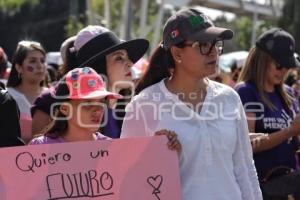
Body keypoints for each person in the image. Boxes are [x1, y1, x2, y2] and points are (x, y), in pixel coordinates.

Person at [121, 7, 262, 200]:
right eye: (203, 45)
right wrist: (154, 156)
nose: (213, 52)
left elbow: (245, 168)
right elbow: (127, 176)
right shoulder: (143, 105)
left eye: (216, 44)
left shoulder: (230, 98)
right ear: (177, 53)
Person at [31, 26, 149, 139]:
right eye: (119, 58)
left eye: (127, 57)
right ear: (96, 66)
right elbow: (42, 156)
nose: (130, 63)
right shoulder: (49, 102)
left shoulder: (133, 107)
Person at [29, 67, 181, 154]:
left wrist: (165, 151)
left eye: (101, 102)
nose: (98, 110)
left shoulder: (113, 150)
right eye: (87, 102)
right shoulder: (40, 148)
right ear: (65, 109)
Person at [235, 28, 300, 197]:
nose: (283, 71)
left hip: (288, 184)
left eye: (288, 67)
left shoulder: (289, 94)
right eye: (279, 65)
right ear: (262, 60)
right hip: (260, 186)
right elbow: (247, 145)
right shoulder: (246, 92)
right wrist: (289, 131)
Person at [6, 40, 48, 142]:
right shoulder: (7, 97)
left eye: (42, 61)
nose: (40, 66)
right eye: (33, 61)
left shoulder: (52, 96)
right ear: (19, 67)